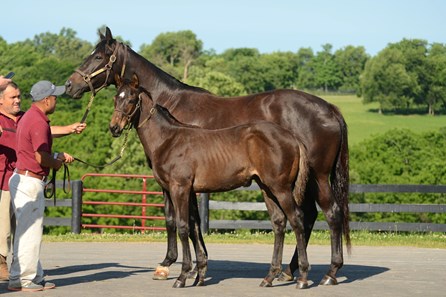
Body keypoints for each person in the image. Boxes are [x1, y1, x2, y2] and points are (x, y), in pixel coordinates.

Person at [7, 80, 84, 292]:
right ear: (46, 100)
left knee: (26, 232)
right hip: (30, 180)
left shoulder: (30, 117)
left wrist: (56, 155)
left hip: (23, 177)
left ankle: (27, 275)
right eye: (55, 97)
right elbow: (40, 157)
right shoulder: (39, 121)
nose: (56, 100)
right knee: (30, 233)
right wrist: (57, 162)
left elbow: (36, 150)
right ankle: (25, 279)